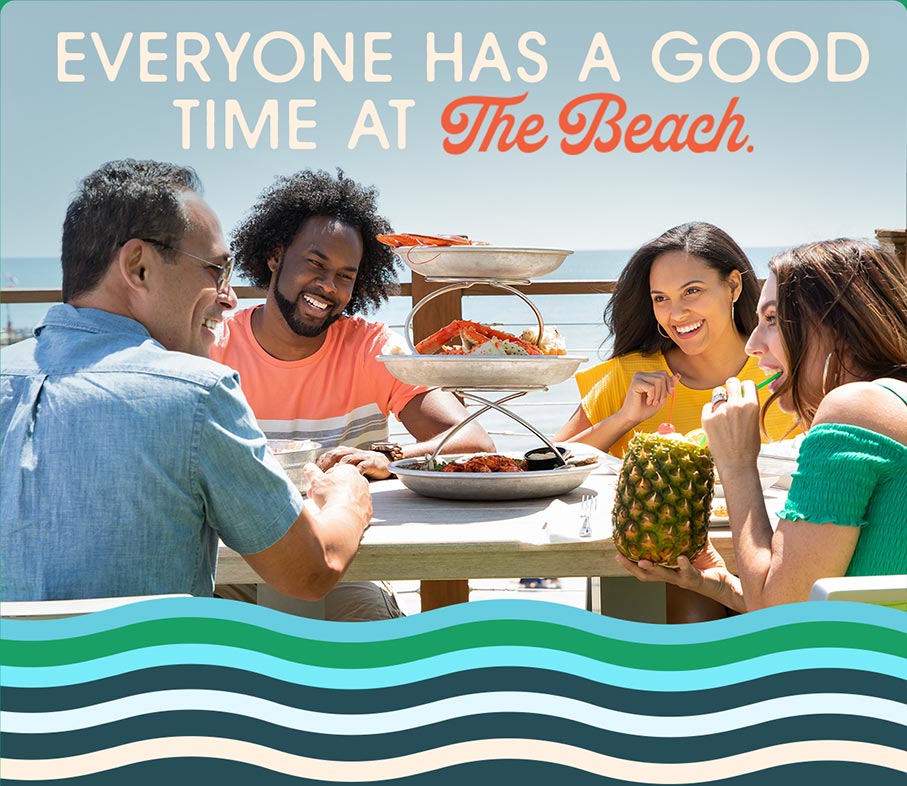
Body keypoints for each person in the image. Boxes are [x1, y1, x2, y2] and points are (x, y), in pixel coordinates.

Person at [0, 160, 372, 602]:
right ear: (138, 267)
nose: (229, 296)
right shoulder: (196, 395)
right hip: (150, 671)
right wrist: (350, 495)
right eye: (216, 271)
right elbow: (311, 571)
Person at [211, 168, 494, 619]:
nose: (329, 286)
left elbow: (474, 442)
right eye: (316, 264)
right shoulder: (213, 346)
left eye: (346, 275)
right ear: (274, 255)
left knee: (388, 657)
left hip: (339, 568)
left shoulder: (372, 347)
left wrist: (392, 458)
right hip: (228, 569)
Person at [618, 239, 907, 610]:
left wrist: (737, 463)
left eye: (771, 319)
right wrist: (723, 585)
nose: (752, 345)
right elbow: (811, 599)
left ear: (840, 325)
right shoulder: (891, 402)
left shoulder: (854, 409)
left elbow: (783, 619)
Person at [554, 221, 797, 622]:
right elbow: (549, 465)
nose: (676, 313)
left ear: (733, 287)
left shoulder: (783, 375)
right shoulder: (629, 376)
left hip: (778, 561)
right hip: (653, 576)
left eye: (692, 291)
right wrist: (623, 418)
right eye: (660, 298)